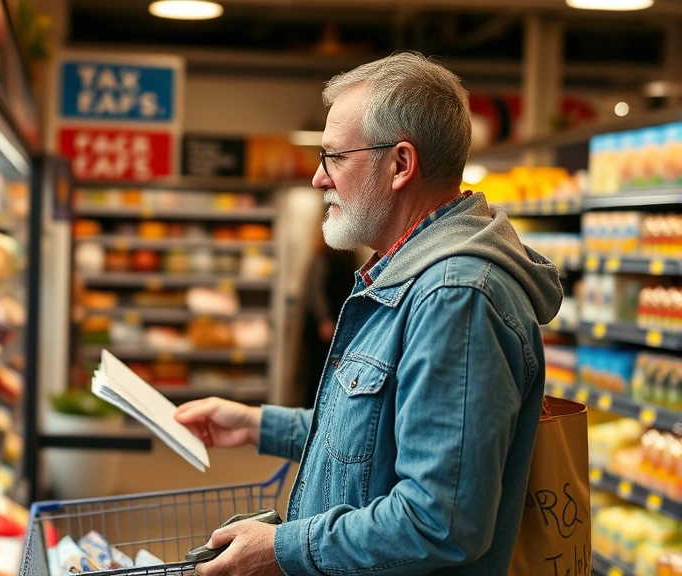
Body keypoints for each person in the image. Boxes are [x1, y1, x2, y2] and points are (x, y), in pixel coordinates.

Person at [174, 52, 563, 576]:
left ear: (400, 164)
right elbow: (379, 431)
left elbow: (439, 521)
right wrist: (255, 424)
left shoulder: (455, 298)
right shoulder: (406, 275)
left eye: (333, 157)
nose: (318, 178)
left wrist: (282, 547)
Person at [298, 232, 359, 408]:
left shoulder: (349, 259)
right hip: (324, 333)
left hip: (340, 329)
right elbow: (316, 293)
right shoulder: (323, 258)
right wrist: (324, 320)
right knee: (317, 376)